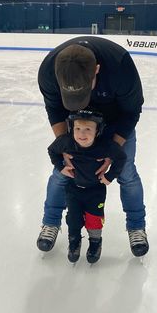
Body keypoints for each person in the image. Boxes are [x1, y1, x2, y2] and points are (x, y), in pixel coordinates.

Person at [37, 36, 149, 257]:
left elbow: (132, 112)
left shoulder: (120, 67)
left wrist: (113, 151)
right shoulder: (49, 70)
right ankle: (50, 222)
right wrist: (64, 146)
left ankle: (136, 226)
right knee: (63, 172)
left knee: (126, 173)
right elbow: (54, 108)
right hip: (79, 127)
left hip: (116, 124)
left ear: (97, 70)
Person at [47, 109, 127, 264]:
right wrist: (60, 166)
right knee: (73, 219)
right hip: (73, 190)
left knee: (94, 220)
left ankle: (95, 243)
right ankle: (74, 242)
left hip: (95, 192)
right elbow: (52, 150)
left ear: (98, 131)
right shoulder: (66, 142)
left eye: (88, 129)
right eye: (77, 129)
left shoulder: (105, 146)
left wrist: (110, 176)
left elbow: (121, 157)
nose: (82, 134)